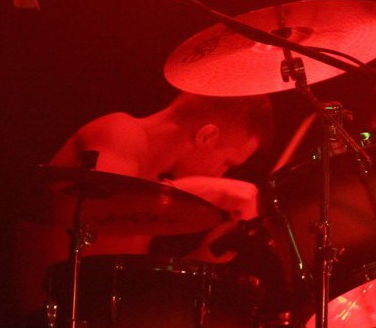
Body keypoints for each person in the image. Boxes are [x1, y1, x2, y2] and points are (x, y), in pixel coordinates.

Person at [16, 92, 274, 314]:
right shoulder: (119, 131)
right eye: (227, 163)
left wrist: (205, 256)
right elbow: (102, 216)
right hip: (41, 326)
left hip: (85, 324)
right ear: (206, 136)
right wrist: (209, 190)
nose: (222, 175)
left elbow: (120, 280)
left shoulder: (150, 188)